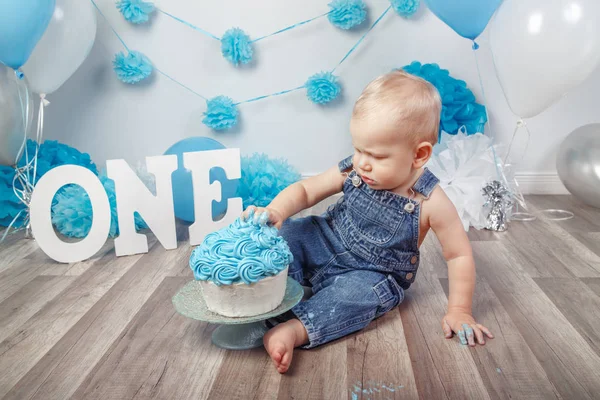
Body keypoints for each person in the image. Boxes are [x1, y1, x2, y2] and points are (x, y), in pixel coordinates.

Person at [243, 70, 493, 374]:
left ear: (419, 154)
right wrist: (276, 211)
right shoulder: (355, 169)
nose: (362, 162)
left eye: (375, 155)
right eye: (358, 148)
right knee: (291, 234)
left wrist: (459, 310)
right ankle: (261, 289)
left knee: (353, 298)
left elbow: (459, 255)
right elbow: (307, 190)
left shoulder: (431, 202)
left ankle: (297, 329)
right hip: (327, 239)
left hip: (372, 272)